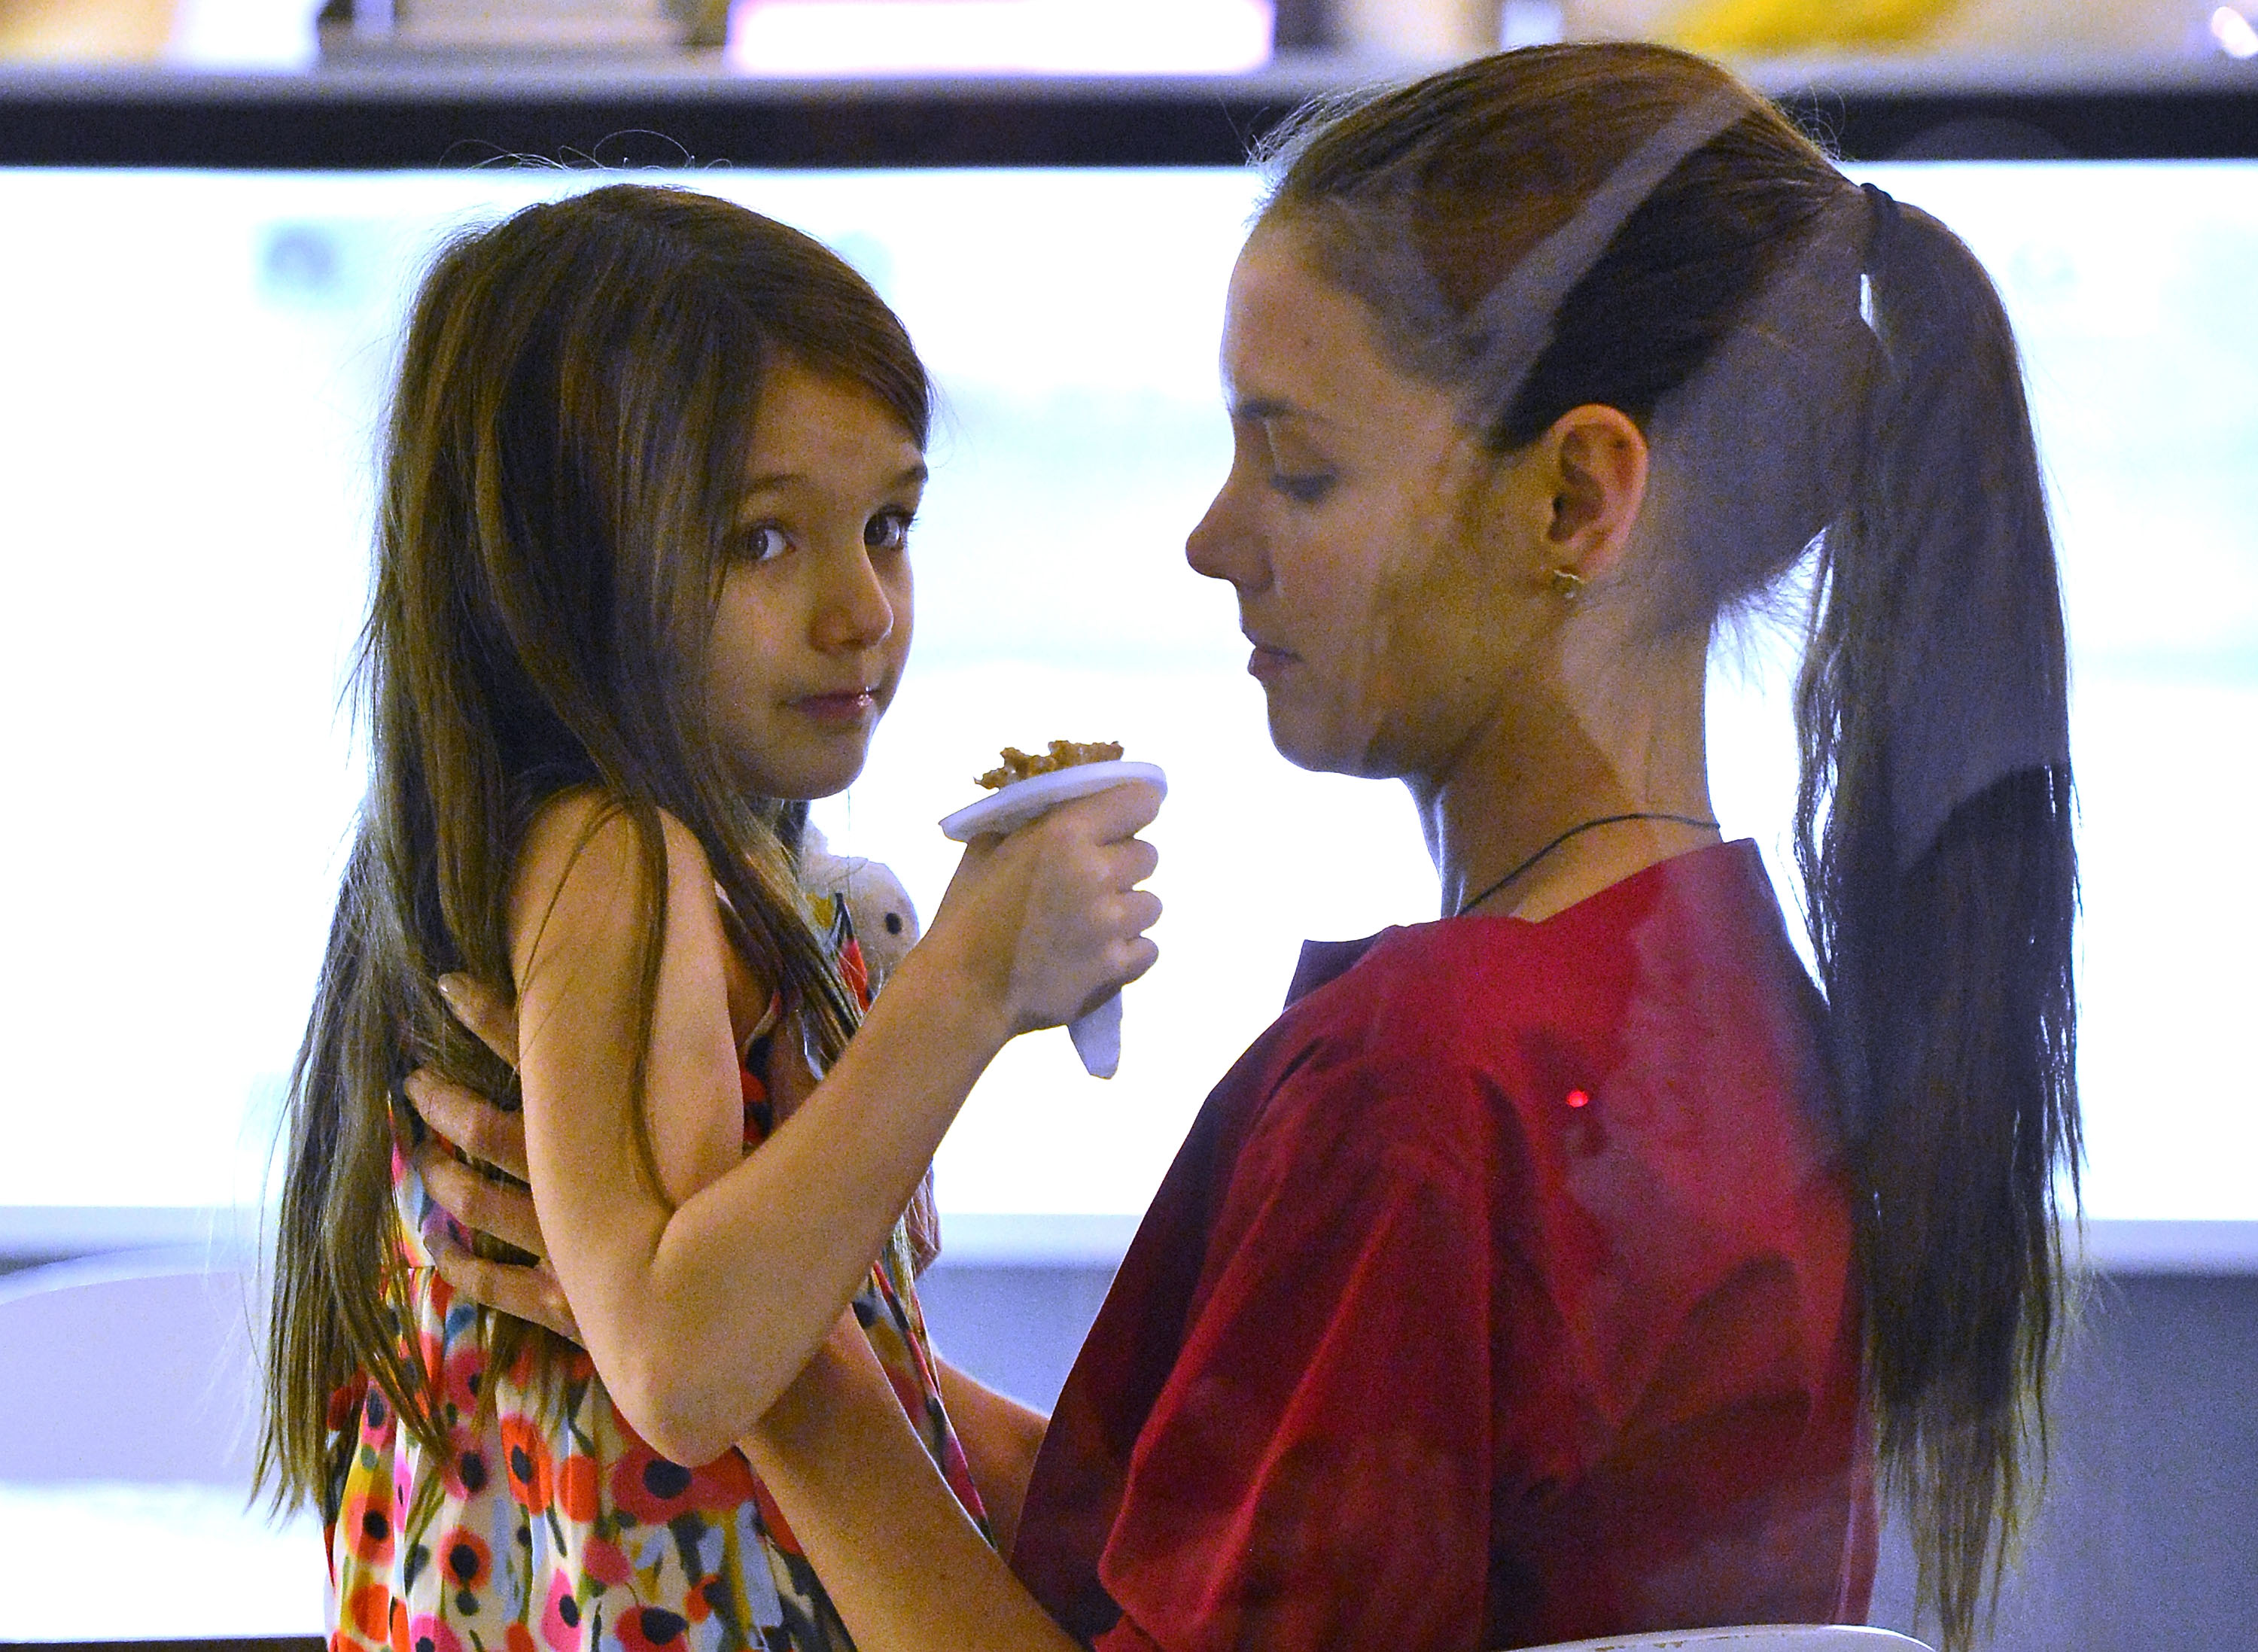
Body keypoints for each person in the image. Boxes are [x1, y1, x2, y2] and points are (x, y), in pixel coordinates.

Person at [412, 41, 2079, 1652]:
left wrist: (746, 1359)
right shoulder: (1716, 995)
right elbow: (1234, 1558)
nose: (1213, 539)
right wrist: (786, 1312)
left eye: (1298, 469)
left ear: (1574, 504)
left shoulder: (1429, 1092)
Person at [257, 182, 1164, 1652]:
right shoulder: (619, 855)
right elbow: (682, 1367)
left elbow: (855, 1364)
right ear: (557, 562)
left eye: (887, 523)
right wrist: (972, 983)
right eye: (761, 541)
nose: (861, 606)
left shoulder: (692, 871)